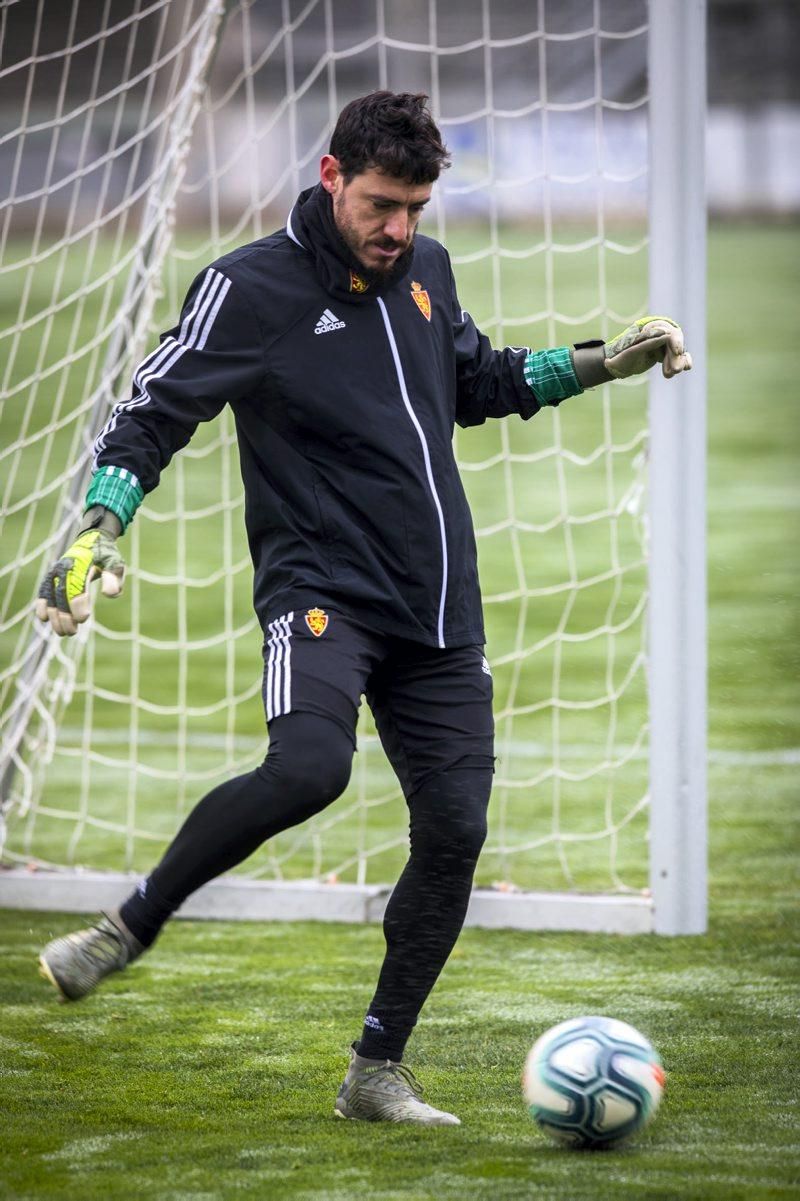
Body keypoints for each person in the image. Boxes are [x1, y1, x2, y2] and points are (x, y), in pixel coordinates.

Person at [35, 92, 691, 1126]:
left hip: (437, 608)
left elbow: (477, 379)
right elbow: (152, 409)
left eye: (416, 208)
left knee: (457, 826)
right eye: (383, 204)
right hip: (322, 592)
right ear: (333, 176)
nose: (398, 229)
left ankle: (375, 1068)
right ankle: (128, 925)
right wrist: (97, 528)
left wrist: (603, 360)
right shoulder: (246, 288)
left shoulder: (423, 269)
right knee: (308, 767)